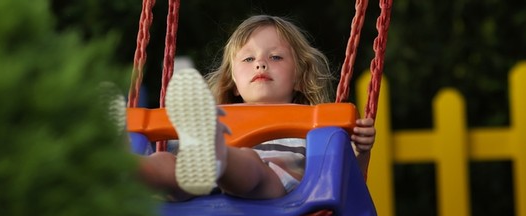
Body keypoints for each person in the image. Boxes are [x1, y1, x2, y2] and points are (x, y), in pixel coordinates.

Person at [136, 15, 376, 201]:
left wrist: (360, 150)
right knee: (168, 161)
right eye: (249, 59)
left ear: (300, 78)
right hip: (207, 190)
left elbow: (346, 186)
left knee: (250, 163)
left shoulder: (314, 125)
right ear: (234, 84)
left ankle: (218, 156)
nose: (260, 63)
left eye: (276, 57)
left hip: (281, 191)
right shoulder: (219, 121)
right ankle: (125, 169)